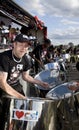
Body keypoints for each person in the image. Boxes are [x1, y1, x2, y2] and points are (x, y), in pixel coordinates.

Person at [0, 33, 49, 130]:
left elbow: (26, 76)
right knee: (4, 117)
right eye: (21, 45)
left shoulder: (26, 59)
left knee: (21, 114)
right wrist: (21, 97)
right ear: (14, 44)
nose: (23, 48)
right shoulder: (4, 57)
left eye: (26, 46)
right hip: (2, 89)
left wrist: (40, 82)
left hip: (15, 86)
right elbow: (2, 83)